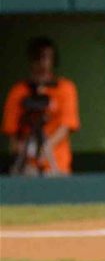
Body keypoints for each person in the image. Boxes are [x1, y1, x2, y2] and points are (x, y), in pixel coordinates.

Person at [2, 37, 80, 176]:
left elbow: (67, 125)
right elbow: (12, 134)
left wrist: (46, 148)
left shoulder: (65, 88)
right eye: (38, 58)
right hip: (27, 165)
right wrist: (27, 150)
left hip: (56, 163)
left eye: (47, 58)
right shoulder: (19, 92)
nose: (42, 64)